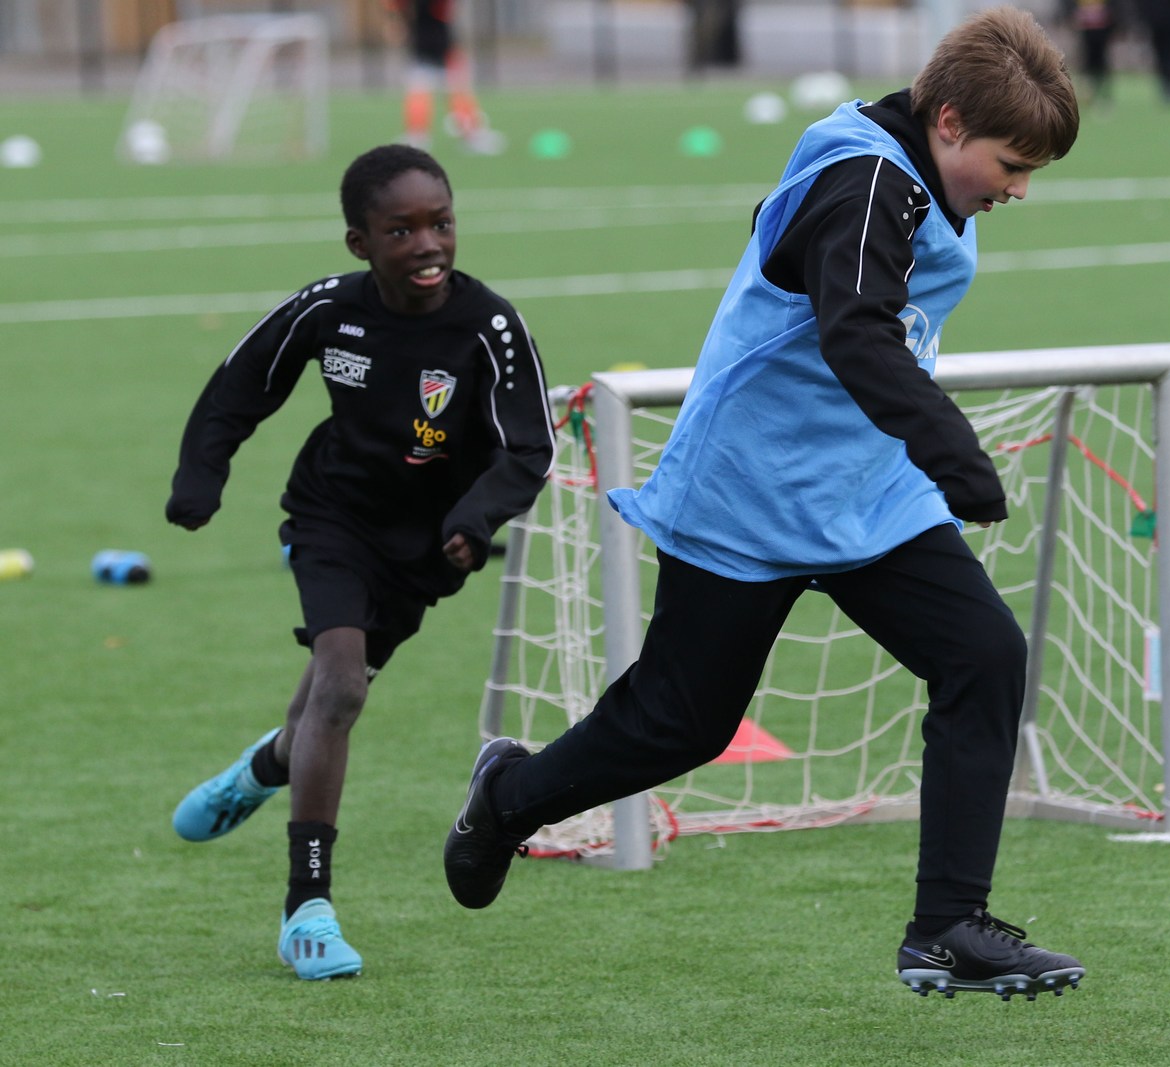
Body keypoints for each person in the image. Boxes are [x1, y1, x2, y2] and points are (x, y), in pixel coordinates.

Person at [442, 6, 1087, 1000]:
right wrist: (951, 448)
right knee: (679, 723)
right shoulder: (864, 181)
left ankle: (947, 928)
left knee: (984, 655)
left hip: (865, 493)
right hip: (748, 490)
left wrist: (923, 457)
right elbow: (855, 330)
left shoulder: (907, 178)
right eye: (1011, 165)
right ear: (949, 122)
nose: (1019, 189)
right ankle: (509, 795)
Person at [167, 144, 555, 980]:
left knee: (325, 704)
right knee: (341, 686)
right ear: (360, 242)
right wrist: (202, 475)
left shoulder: (489, 326)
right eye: (401, 230)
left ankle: (263, 768)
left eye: (440, 223)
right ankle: (307, 906)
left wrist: (474, 517)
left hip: (426, 548)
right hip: (332, 516)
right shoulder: (328, 309)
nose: (428, 244)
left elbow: (530, 447)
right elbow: (242, 382)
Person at [390, 0, 504, 154]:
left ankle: (471, 134)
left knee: (451, 92)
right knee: (428, 91)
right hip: (433, 46)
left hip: (435, 45)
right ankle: (418, 136)